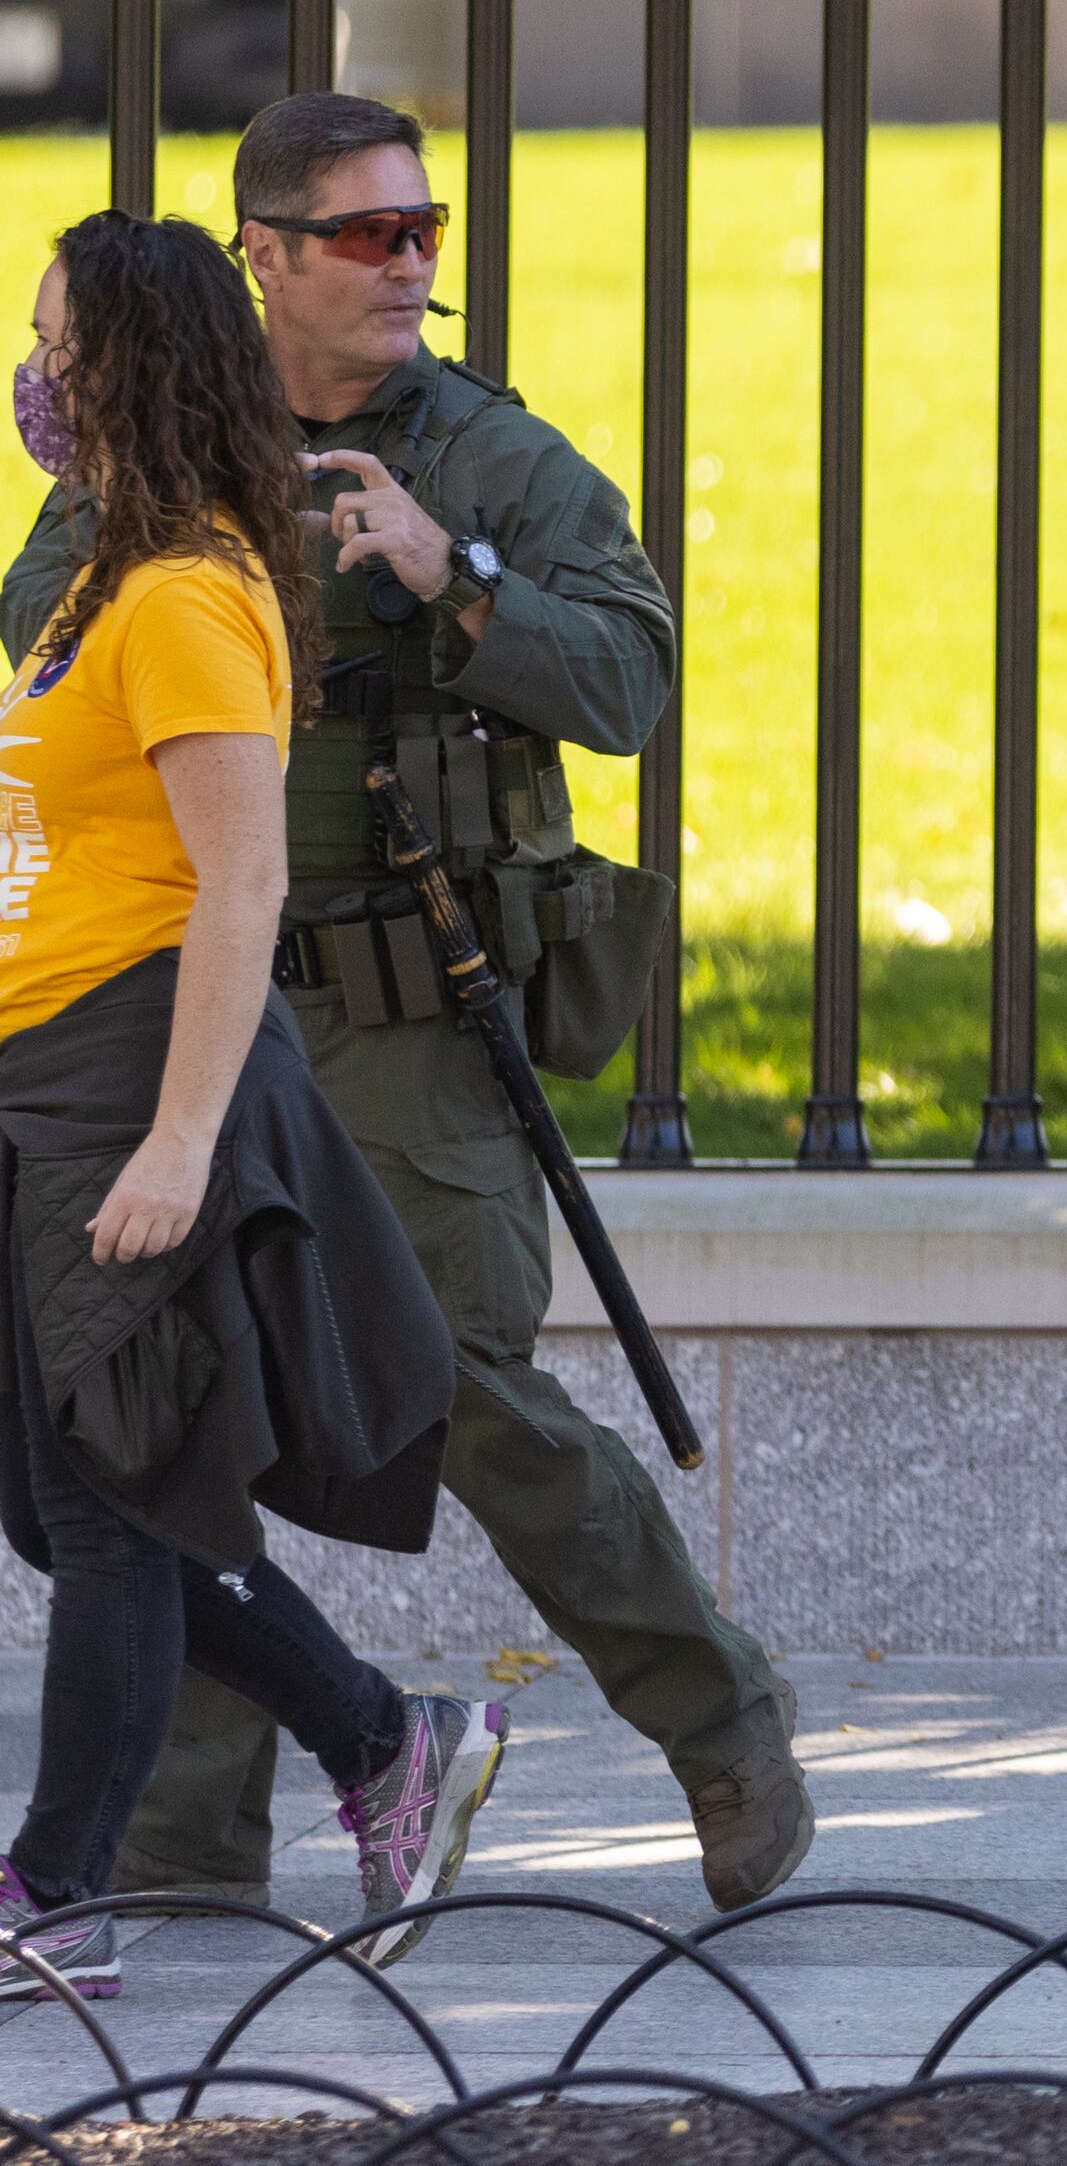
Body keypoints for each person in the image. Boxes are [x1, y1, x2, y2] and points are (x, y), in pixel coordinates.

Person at [0, 95, 813, 1915]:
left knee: (460, 1397)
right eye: (366, 236)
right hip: (185, 1004)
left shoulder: (491, 455)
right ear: (263, 259)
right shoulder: (149, 472)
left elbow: (632, 677)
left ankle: (723, 1720)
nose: (410, 267)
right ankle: (183, 1842)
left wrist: (455, 577)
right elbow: (43, 633)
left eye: (424, 231)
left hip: (409, 1012)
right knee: (172, 1406)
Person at [0, 210, 506, 1999]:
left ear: (131, 366)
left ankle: (52, 1892)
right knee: (65, 1492)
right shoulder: (91, 583)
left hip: (135, 1077)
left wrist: (177, 1141)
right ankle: (382, 1740)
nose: (36, 375)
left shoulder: (190, 593)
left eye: (60, 343)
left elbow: (239, 886)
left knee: (112, 1504)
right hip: (45, 1076)